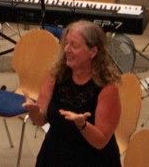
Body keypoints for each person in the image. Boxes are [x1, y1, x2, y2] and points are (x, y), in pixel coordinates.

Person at [25, 21, 122, 166]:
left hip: (93, 160)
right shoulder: (55, 76)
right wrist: (34, 112)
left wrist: (82, 125)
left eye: (74, 46)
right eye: (66, 44)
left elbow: (100, 141)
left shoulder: (107, 88)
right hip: (55, 154)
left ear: (93, 52)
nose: (67, 50)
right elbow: (41, 120)